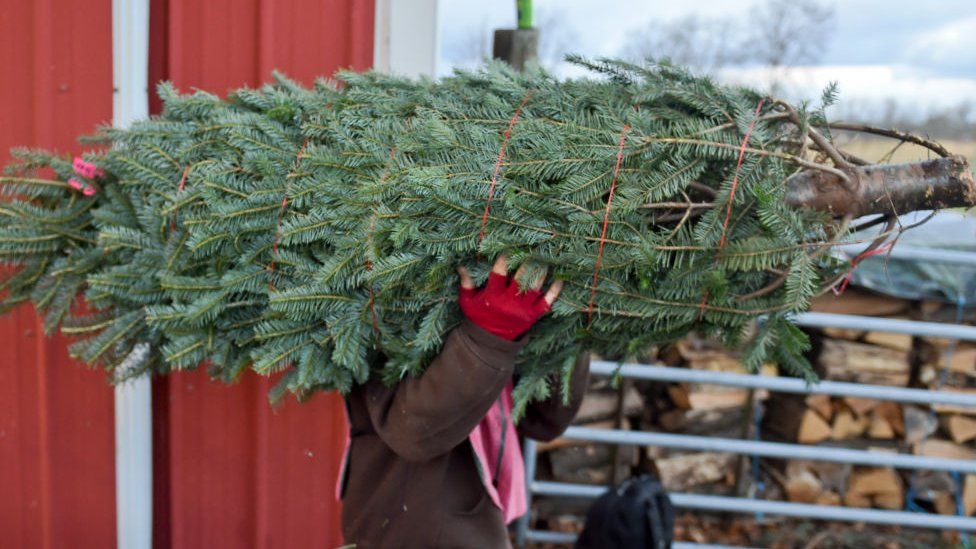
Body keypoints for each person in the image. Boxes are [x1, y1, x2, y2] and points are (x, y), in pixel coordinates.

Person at [338, 254, 591, 548]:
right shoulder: (387, 294)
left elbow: (545, 421)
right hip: (401, 530)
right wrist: (488, 336)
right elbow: (412, 430)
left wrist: (567, 319)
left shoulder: (500, 275)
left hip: (480, 526)